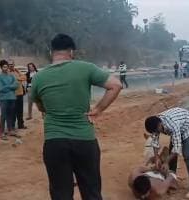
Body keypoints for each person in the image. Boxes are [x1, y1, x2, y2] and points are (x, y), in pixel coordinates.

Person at [31, 33, 122, 200]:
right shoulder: (85, 68)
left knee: (61, 193)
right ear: (71, 51)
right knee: (91, 191)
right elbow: (116, 85)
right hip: (84, 140)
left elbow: (40, 106)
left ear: (52, 52)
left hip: (54, 142)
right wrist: (98, 109)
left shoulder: (38, 77)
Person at [144, 107, 189, 199]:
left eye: (156, 131)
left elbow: (177, 148)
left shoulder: (172, 125)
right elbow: (155, 142)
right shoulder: (155, 124)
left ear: (160, 125)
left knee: (187, 154)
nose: (156, 133)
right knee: (172, 154)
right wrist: (156, 158)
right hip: (179, 124)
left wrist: (166, 162)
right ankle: (172, 179)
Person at [0, 60, 19, 140]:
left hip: (12, 97)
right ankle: (2, 132)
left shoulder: (11, 76)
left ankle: (10, 130)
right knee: (3, 115)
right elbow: (0, 88)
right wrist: (10, 87)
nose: (6, 68)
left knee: (11, 115)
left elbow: (16, 85)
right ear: (1, 67)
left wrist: (7, 86)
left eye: (7, 66)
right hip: (4, 98)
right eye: (4, 67)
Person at [8, 60, 27, 129]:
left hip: (20, 93)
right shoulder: (7, 73)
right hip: (12, 95)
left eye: (12, 64)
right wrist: (18, 79)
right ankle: (12, 126)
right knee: (13, 111)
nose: (11, 66)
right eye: (9, 64)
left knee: (20, 111)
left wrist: (18, 77)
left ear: (14, 64)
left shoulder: (17, 71)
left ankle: (21, 125)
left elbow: (24, 77)